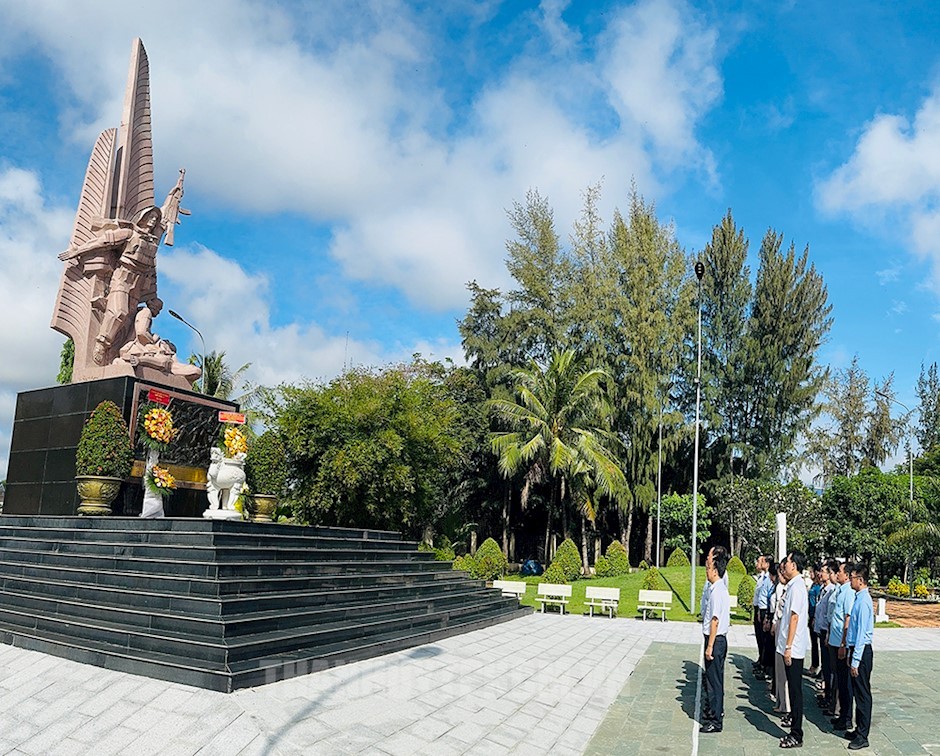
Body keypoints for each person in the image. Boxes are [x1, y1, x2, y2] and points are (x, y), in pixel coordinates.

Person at [59, 206, 163, 365]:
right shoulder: (130, 234)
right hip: (123, 277)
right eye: (150, 216)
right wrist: (78, 250)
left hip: (138, 283)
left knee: (127, 319)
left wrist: (152, 297)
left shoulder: (152, 243)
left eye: (156, 218)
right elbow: (103, 241)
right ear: (142, 217)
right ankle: (101, 344)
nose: (153, 220)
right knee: (119, 313)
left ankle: (124, 353)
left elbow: (151, 271)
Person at [777, 550, 810, 749]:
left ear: (794, 565)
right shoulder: (792, 586)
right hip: (788, 646)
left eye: (787, 562)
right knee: (793, 688)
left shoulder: (797, 587)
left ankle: (797, 734)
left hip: (794, 648)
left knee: (796, 691)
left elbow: (794, 618)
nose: (785, 566)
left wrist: (788, 647)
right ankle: (794, 727)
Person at [843, 564, 875, 750]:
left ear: (860, 580)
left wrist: (855, 660)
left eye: (853, 577)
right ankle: (858, 728)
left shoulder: (864, 601)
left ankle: (863, 735)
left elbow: (862, 633)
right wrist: (849, 651)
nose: (850, 580)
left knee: (862, 694)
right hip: (855, 649)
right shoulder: (858, 598)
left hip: (862, 652)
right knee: (857, 691)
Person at [701, 549, 731, 734]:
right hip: (716, 639)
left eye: (709, 567)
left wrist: (710, 645)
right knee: (712, 680)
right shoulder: (716, 589)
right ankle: (713, 711)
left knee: (714, 682)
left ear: (715, 570)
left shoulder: (718, 590)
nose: (706, 570)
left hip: (716, 640)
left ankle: (716, 719)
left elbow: (715, 620)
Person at [827, 561, 856, 732]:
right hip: (835, 641)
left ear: (847, 575)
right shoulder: (840, 591)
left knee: (845, 684)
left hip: (841, 645)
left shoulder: (848, 593)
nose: (837, 573)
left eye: (840, 571)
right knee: (839, 681)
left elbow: (847, 619)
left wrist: (843, 644)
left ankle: (846, 718)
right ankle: (842, 716)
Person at [814, 559, 838, 710]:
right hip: (822, 629)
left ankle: (830, 696)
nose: (820, 574)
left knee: (829, 667)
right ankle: (827, 693)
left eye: (824, 571)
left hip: (828, 631)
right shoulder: (823, 589)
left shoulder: (831, 591)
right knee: (826, 664)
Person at [771, 562, 790, 717]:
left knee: (785, 675)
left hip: (786, 636)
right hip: (779, 631)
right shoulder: (783, 590)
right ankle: (780, 701)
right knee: (779, 671)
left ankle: (786, 706)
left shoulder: (791, 590)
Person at [752, 554, 771, 676]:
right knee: (759, 637)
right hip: (758, 608)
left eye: (761, 561)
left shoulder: (768, 578)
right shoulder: (761, 577)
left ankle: (764, 664)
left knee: (764, 638)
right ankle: (761, 659)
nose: (758, 563)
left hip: (764, 610)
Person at [807, 562, 822, 676]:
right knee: (813, 643)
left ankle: (817, 665)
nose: (810, 574)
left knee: (818, 643)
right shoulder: (812, 585)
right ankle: (814, 663)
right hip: (811, 615)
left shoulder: (818, 587)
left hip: (816, 616)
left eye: (811, 572)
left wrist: (815, 617)